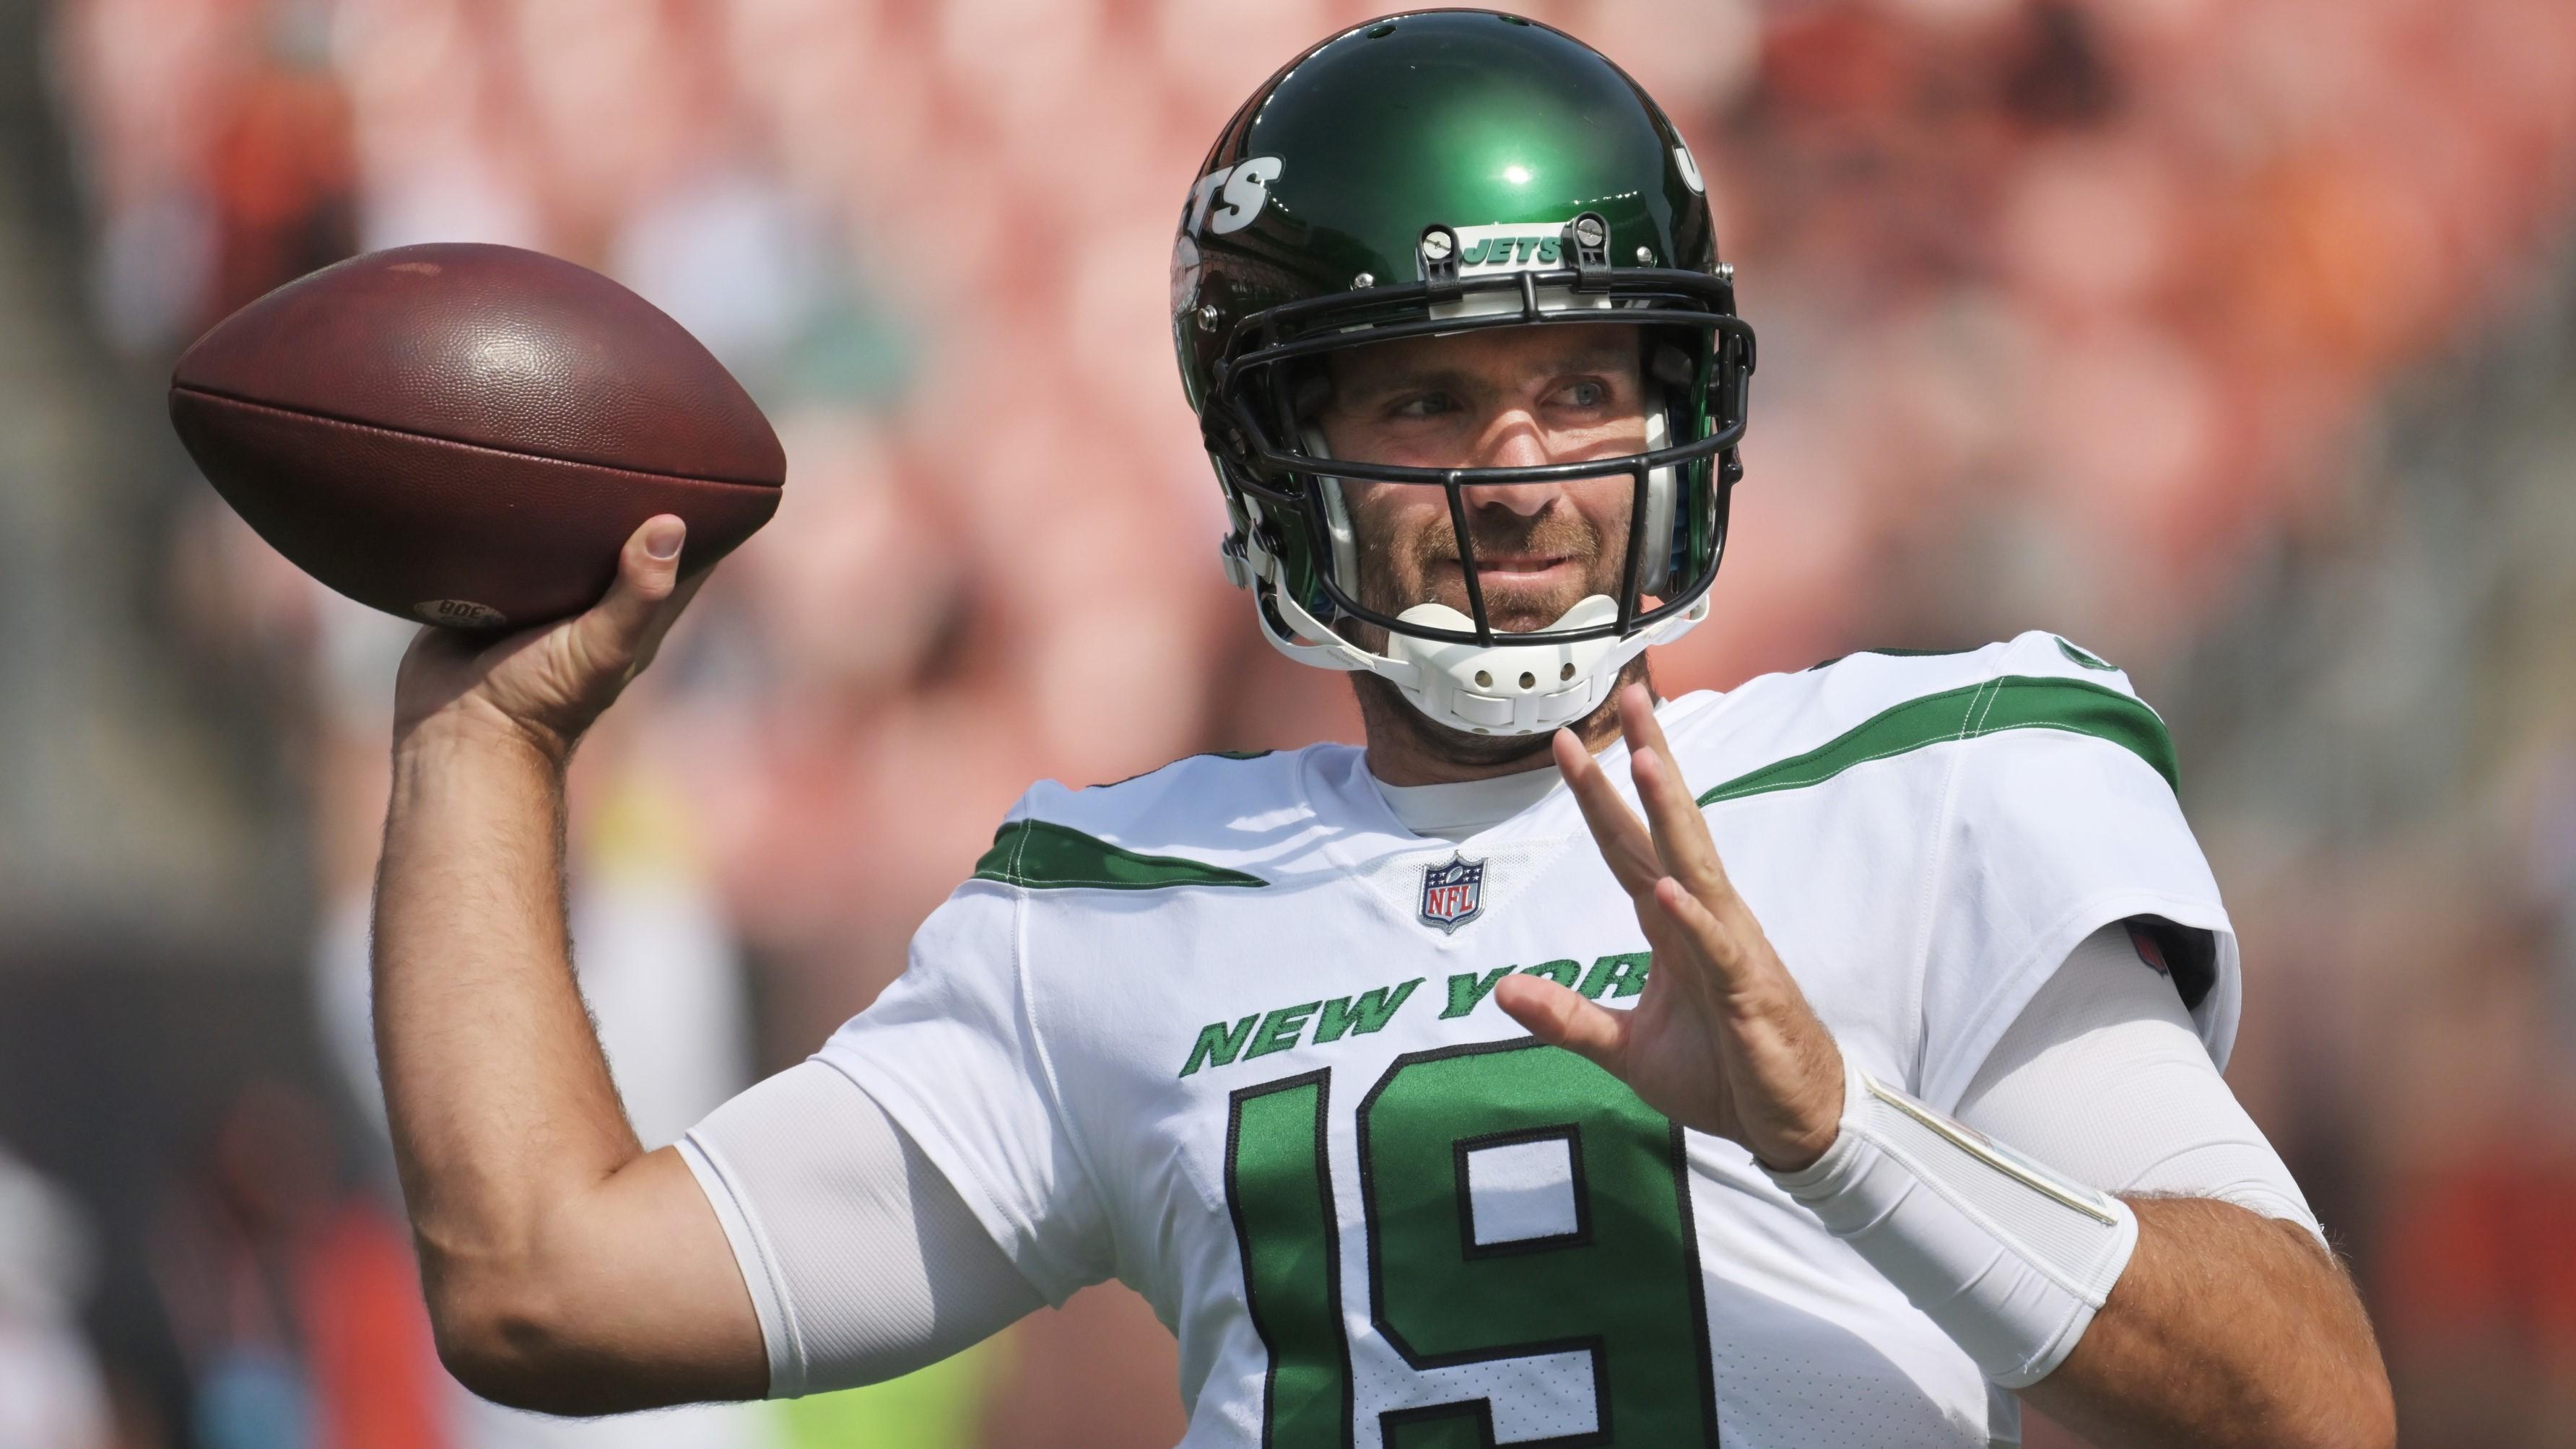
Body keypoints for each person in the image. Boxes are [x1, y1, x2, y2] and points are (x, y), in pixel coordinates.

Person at [367, 13, 2392, 1447]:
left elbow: (2308, 1407)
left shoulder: (1934, 788)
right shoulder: (1117, 910)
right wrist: (480, 743)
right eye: (1424, 399)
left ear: (1688, 410)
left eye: (1587, 382)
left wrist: (1839, 1132)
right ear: (1278, 450)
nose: (1518, 471)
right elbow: (547, 1289)